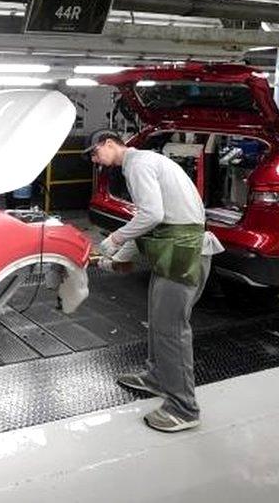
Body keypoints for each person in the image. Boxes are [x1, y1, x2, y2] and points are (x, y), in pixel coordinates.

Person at [84, 131, 222, 433]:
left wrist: (111, 242)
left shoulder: (136, 164)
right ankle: (157, 376)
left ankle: (184, 408)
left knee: (171, 330)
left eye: (95, 153)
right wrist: (117, 258)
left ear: (110, 143)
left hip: (183, 257)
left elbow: (151, 214)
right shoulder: (145, 162)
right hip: (173, 253)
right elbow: (153, 223)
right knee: (158, 320)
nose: (95, 161)